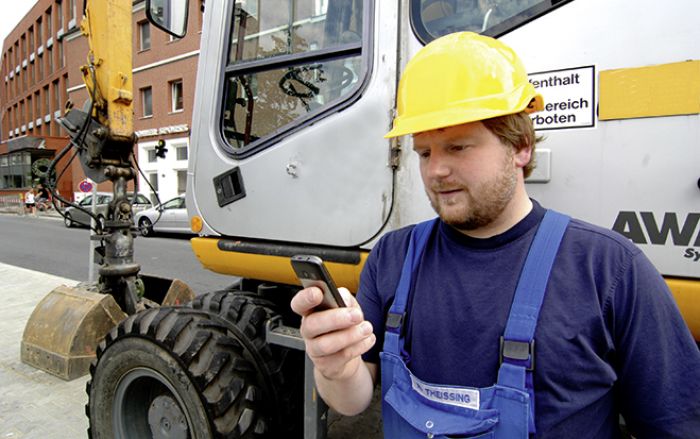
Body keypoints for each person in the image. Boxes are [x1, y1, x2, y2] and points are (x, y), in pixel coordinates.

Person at [291, 32, 700, 438]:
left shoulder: (609, 271)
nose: (435, 171)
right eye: (425, 152)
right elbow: (352, 401)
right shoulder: (393, 256)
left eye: (458, 147)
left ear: (520, 147)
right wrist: (338, 368)